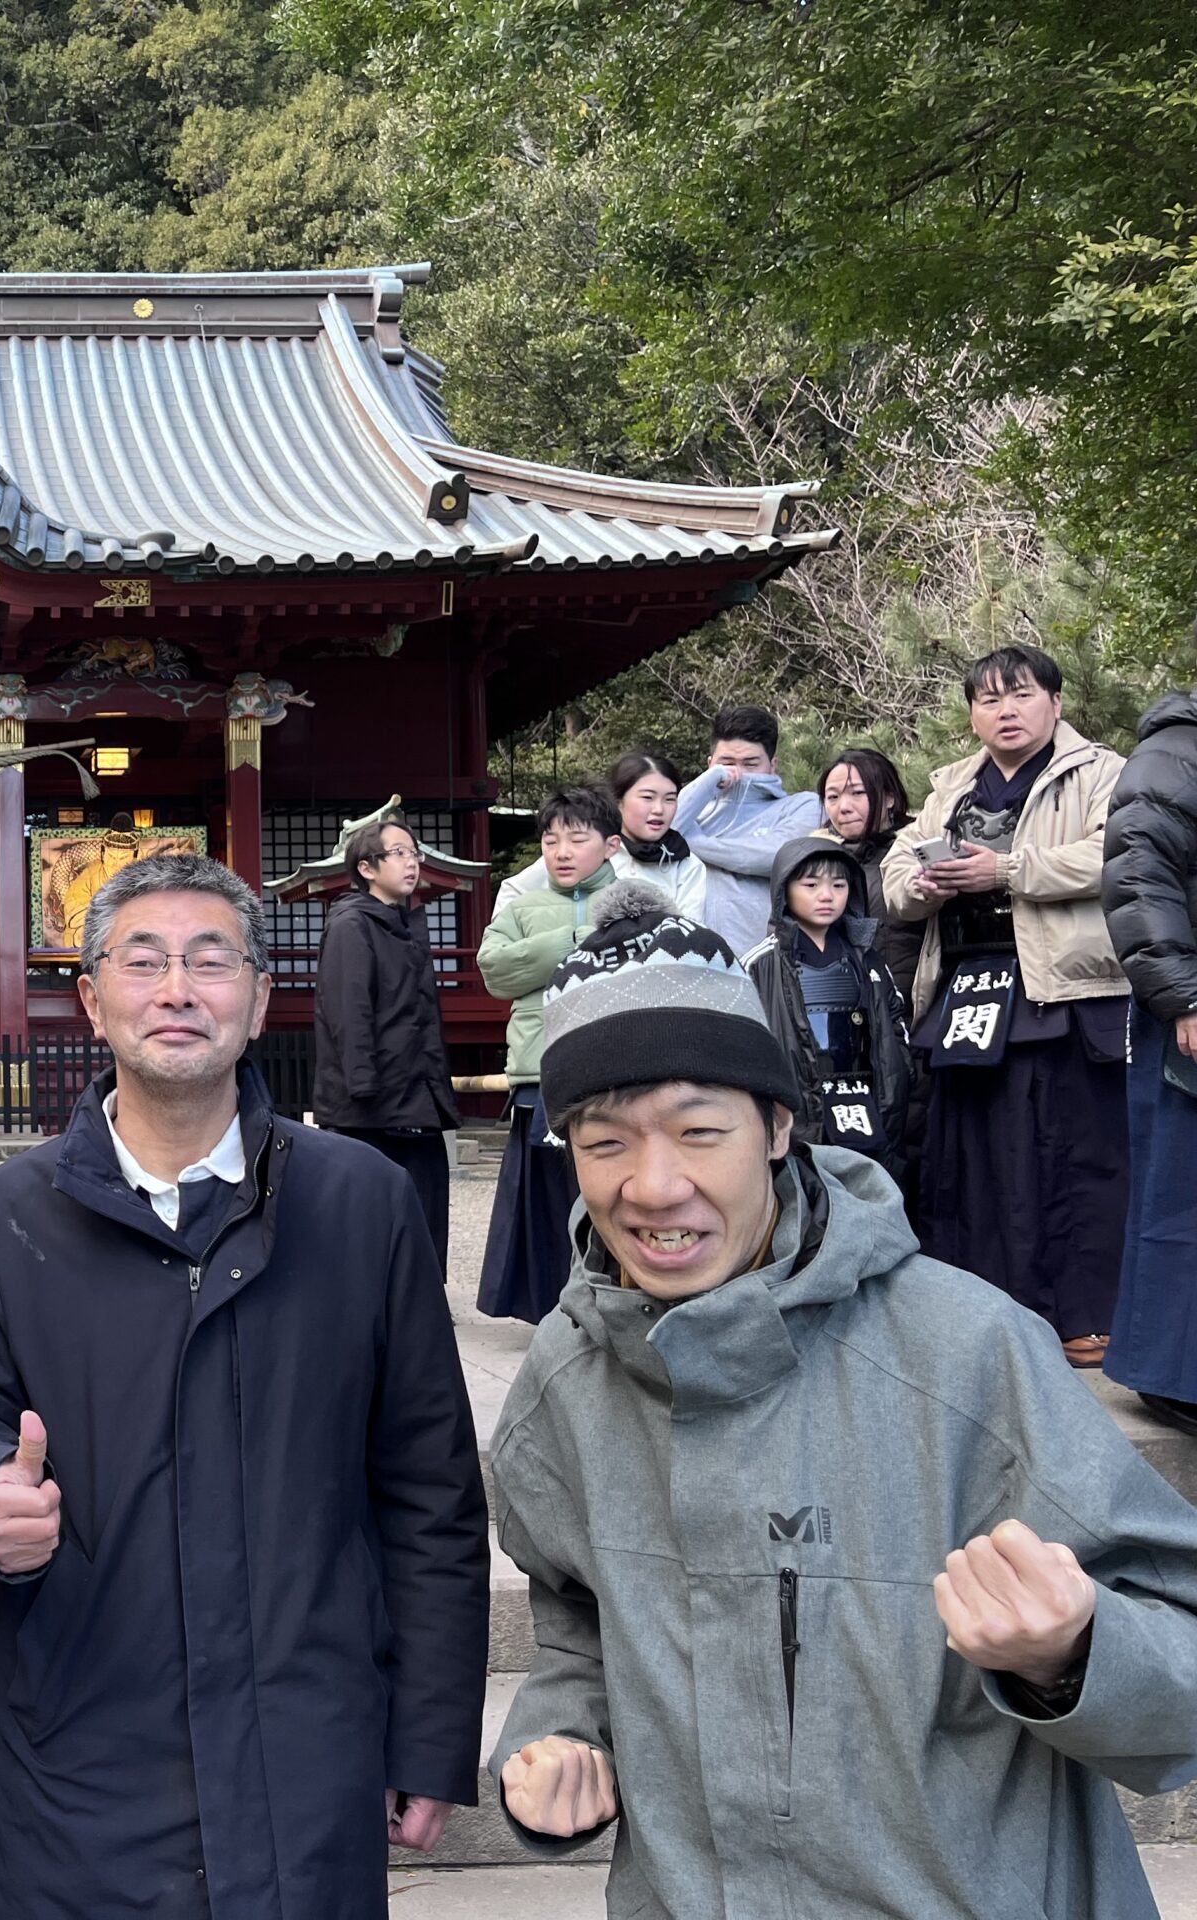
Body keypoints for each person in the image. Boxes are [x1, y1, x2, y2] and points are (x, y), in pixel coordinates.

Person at [487, 894, 1197, 1917]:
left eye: (698, 1131)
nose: (654, 1186)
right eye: (603, 1143)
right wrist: (558, 1737)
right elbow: (577, 1625)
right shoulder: (566, 1378)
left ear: (778, 1125)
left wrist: (1073, 1652)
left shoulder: (966, 1351)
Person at [0, 853, 488, 1920]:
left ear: (260, 1001)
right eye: (143, 961)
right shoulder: (5, 1218)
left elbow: (432, 1487)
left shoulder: (359, 1203)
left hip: (306, 1746)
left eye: (210, 961)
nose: (177, 990)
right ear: (93, 1001)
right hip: (82, 1743)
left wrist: (429, 1730)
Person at [882, 644, 1130, 1367]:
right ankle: (985, 1311)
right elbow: (896, 869)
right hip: (968, 986)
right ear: (972, 716)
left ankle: (1086, 1315)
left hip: (1062, 986)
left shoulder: (1101, 772)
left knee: (1073, 1152)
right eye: (989, 700)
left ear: (1057, 702)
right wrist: (923, 885)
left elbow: (1115, 854)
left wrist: (1007, 869)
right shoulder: (951, 785)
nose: (1006, 711)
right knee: (974, 1155)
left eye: (1021, 695)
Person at [475, 788, 621, 1323]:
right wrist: (577, 939)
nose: (561, 851)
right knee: (547, 1197)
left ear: (611, 845)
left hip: (617, 1068)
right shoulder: (521, 907)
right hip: (540, 1071)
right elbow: (495, 971)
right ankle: (553, 1310)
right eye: (551, 839)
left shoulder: (637, 902)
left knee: (615, 1189)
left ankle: (618, 1301)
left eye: (577, 839)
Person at [1099, 690, 1197, 1438]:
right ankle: (1171, 1374)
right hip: (1188, 1008)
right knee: (1182, 1193)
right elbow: (1138, 877)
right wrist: (1184, 996)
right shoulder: (1173, 753)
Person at [313, 812, 459, 1273]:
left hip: (414, 1095)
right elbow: (349, 1009)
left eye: (414, 853)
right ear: (367, 868)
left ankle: (420, 1300)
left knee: (424, 1210)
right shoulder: (352, 924)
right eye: (398, 854)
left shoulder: (405, 923)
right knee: (372, 1219)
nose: (411, 862)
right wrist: (363, 1084)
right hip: (372, 1107)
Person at [743, 840, 915, 1182]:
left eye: (838, 885)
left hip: (865, 1097)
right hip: (802, 1105)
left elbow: (895, 1020)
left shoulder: (867, 957)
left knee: (868, 1186)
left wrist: (900, 1072)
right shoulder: (761, 963)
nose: (827, 896)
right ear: (783, 890)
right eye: (811, 885)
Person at [672, 704, 826, 951]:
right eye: (726, 763)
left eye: (750, 763)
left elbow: (777, 857)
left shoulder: (802, 806)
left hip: (762, 959)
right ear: (710, 764)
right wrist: (708, 782)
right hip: (687, 958)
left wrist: (692, 842)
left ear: (773, 766)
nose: (738, 773)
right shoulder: (695, 810)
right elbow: (663, 836)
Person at [493, 751, 709, 921]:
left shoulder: (687, 865)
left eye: (670, 799)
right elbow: (514, 890)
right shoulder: (589, 849)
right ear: (618, 801)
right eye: (647, 797)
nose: (659, 809)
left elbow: (691, 931)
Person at [818, 747, 923, 1001]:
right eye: (832, 797)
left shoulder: (916, 852)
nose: (843, 807)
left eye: (857, 793)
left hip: (918, 1005)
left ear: (889, 798)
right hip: (842, 1005)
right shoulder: (816, 862)